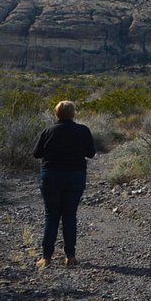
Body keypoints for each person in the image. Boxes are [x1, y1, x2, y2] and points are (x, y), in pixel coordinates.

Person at [32, 100, 96, 268]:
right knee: (70, 216)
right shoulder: (83, 131)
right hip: (75, 176)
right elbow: (91, 153)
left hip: (51, 176)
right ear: (73, 113)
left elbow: (36, 154)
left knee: (51, 216)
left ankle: (46, 258)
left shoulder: (48, 131)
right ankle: (70, 257)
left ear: (57, 113)